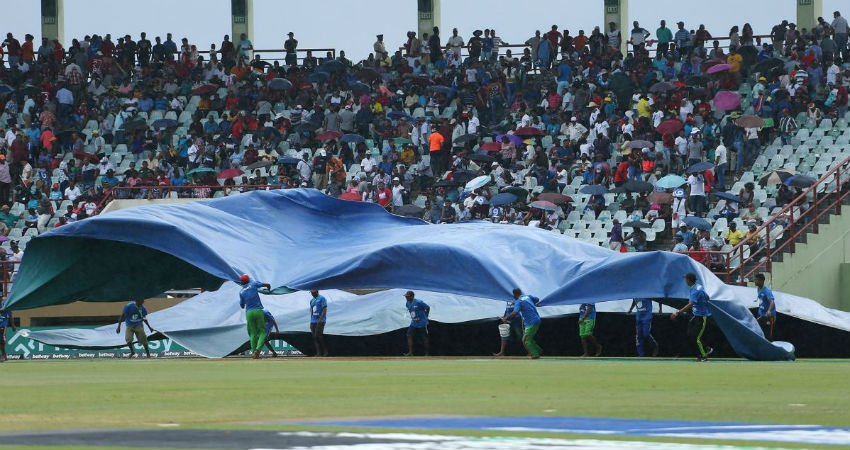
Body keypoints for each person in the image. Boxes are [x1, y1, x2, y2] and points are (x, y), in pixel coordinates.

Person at [671, 272, 714, 362]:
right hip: (696, 316)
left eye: (686, 279)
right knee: (690, 336)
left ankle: (704, 356)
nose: (685, 281)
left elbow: (690, 304)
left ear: (689, 280)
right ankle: (702, 352)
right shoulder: (697, 287)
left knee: (696, 338)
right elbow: (707, 297)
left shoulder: (695, 290)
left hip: (702, 317)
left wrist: (677, 312)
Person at [502, 288, 542, 359]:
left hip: (531, 322)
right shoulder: (528, 296)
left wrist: (506, 318)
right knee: (530, 338)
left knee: (525, 340)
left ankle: (535, 355)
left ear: (515, 294)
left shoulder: (518, 301)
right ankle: (538, 350)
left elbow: (514, 313)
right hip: (536, 319)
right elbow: (537, 299)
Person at [239, 274, 271, 359]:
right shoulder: (253, 283)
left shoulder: (241, 292)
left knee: (252, 334)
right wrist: (269, 287)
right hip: (258, 311)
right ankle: (257, 350)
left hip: (248, 312)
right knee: (262, 332)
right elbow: (267, 284)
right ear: (249, 280)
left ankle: (254, 353)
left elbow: (242, 305)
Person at [492, 289, 524, 357]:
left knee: (521, 336)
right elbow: (507, 309)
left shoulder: (519, 300)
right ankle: (502, 352)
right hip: (507, 320)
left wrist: (507, 318)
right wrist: (504, 317)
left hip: (516, 319)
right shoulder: (508, 299)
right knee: (504, 336)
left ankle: (528, 351)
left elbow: (516, 312)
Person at [404, 290, 430, 356]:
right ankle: (410, 352)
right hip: (414, 322)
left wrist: (426, 316)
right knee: (408, 335)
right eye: (406, 296)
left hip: (422, 322)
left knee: (423, 337)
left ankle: (427, 353)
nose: (406, 298)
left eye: (408, 296)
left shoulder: (419, 302)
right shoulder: (407, 303)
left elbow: (427, 307)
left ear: (412, 296)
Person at [755, 273, 776, 340]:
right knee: (758, 331)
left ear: (761, 281)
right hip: (760, 314)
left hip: (768, 316)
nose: (755, 281)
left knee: (767, 335)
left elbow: (772, 302)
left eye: (756, 280)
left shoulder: (767, 291)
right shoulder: (758, 288)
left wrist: (769, 310)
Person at [309, 289, 328, 357]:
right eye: (311, 293)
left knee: (318, 336)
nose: (312, 294)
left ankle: (325, 351)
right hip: (313, 321)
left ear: (317, 291)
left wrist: (321, 319)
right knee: (314, 337)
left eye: (313, 293)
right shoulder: (311, 300)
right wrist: (311, 321)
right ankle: (318, 353)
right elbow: (311, 311)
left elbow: (324, 309)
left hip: (320, 320)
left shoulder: (322, 298)